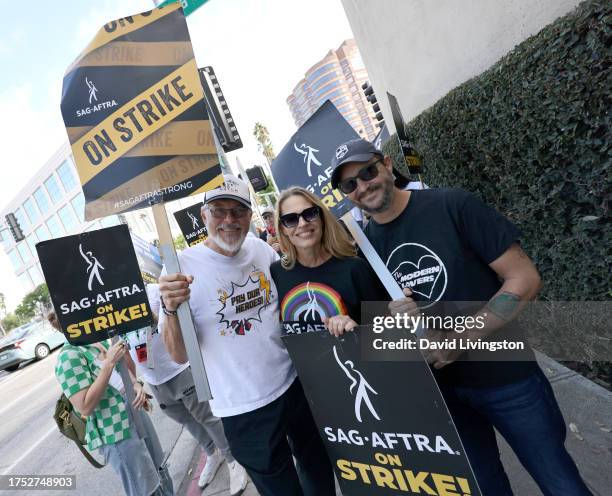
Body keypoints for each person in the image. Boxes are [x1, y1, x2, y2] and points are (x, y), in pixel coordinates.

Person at [330, 138, 592, 496]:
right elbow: (386, 328)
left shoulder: (451, 204)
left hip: (507, 378)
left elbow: (525, 279)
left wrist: (459, 340)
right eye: (350, 184)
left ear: (388, 166)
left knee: (561, 484)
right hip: (442, 395)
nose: (362, 186)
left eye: (368, 172)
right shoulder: (367, 247)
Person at [158, 175, 335, 496]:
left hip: (294, 385)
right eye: (219, 210)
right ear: (204, 216)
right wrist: (170, 309)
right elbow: (179, 355)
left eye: (238, 211)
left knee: (318, 469)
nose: (229, 220)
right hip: (241, 409)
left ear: (250, 216)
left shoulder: (259, 250)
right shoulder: (179, 270)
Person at [124, 284, 245, 490]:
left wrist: (145, 313)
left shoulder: (155, 291)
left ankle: (233, 459)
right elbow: (123, 350)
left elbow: (171, 326)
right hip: (156, 381)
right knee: (186, 420)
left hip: (179, 369)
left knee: (207, 416)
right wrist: (135, 382)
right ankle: (212, 453)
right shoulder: (111, 310)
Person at [49, 311, 173, 496]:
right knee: (146, 489)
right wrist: (108, 363)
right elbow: (84, 406)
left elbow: (121, 372)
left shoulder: (93, 342)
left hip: (135, 413)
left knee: (161, 470)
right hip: (115, 432)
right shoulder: (68, 357)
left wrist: (136, 385)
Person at [270, 186, 388, 338]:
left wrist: (356, 330)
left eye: (310, 213)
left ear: (322, 218)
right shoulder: (276, 273)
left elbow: (387, 339)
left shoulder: (355, 269)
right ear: (283, 228)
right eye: (290, 219)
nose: (303, 223)